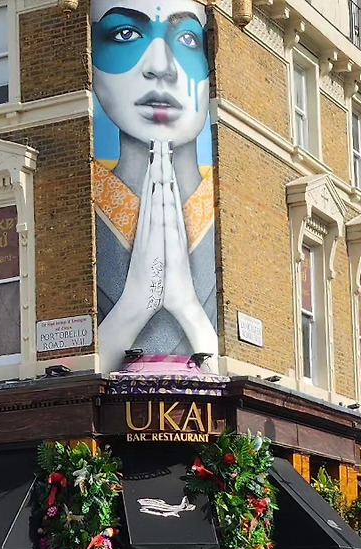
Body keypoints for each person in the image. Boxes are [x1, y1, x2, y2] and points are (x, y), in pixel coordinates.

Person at [91, 0, 219, 373]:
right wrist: (133, 307)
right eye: (125, 34)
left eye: (187, 39)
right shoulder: (79, 214)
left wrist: (189, 309)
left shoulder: (228, 216)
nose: (161, 66)